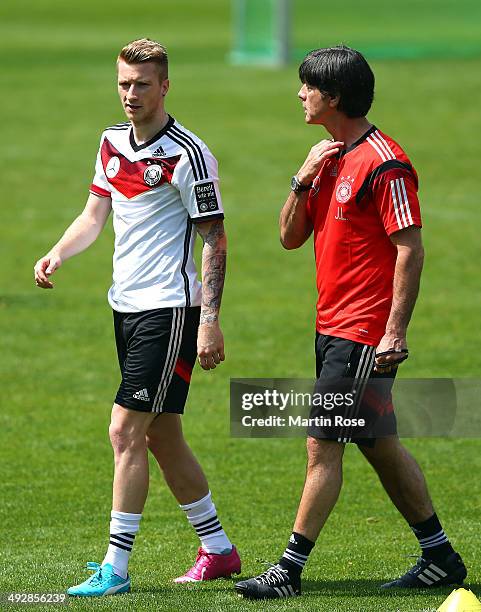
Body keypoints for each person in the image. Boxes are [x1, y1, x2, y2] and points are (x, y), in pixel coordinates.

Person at [235, 45, 466, 599]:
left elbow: (409, 249)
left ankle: (288, 571)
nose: (299, 94)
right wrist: (301, 177)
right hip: (330, 325)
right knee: (377, 441)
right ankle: (441, 557)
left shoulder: (385, 162)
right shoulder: (329, 157)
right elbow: (290, 238)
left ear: (332, 97)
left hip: (361, 332)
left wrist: (394, 330)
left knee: (322, 445)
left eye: (307, 87)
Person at [34, 38, 240, 597]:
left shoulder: (188, 155)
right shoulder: (110, 142)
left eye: (142, 84)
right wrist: (58, 252)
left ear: (165, 86)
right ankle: (219, 550)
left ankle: (115, 569)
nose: (131, 94)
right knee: (163, 437)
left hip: (169, 311)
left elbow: (214, 240)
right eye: (124, 82)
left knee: (125, 430)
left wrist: (210, 320)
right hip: (124, 307)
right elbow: (94, 212)